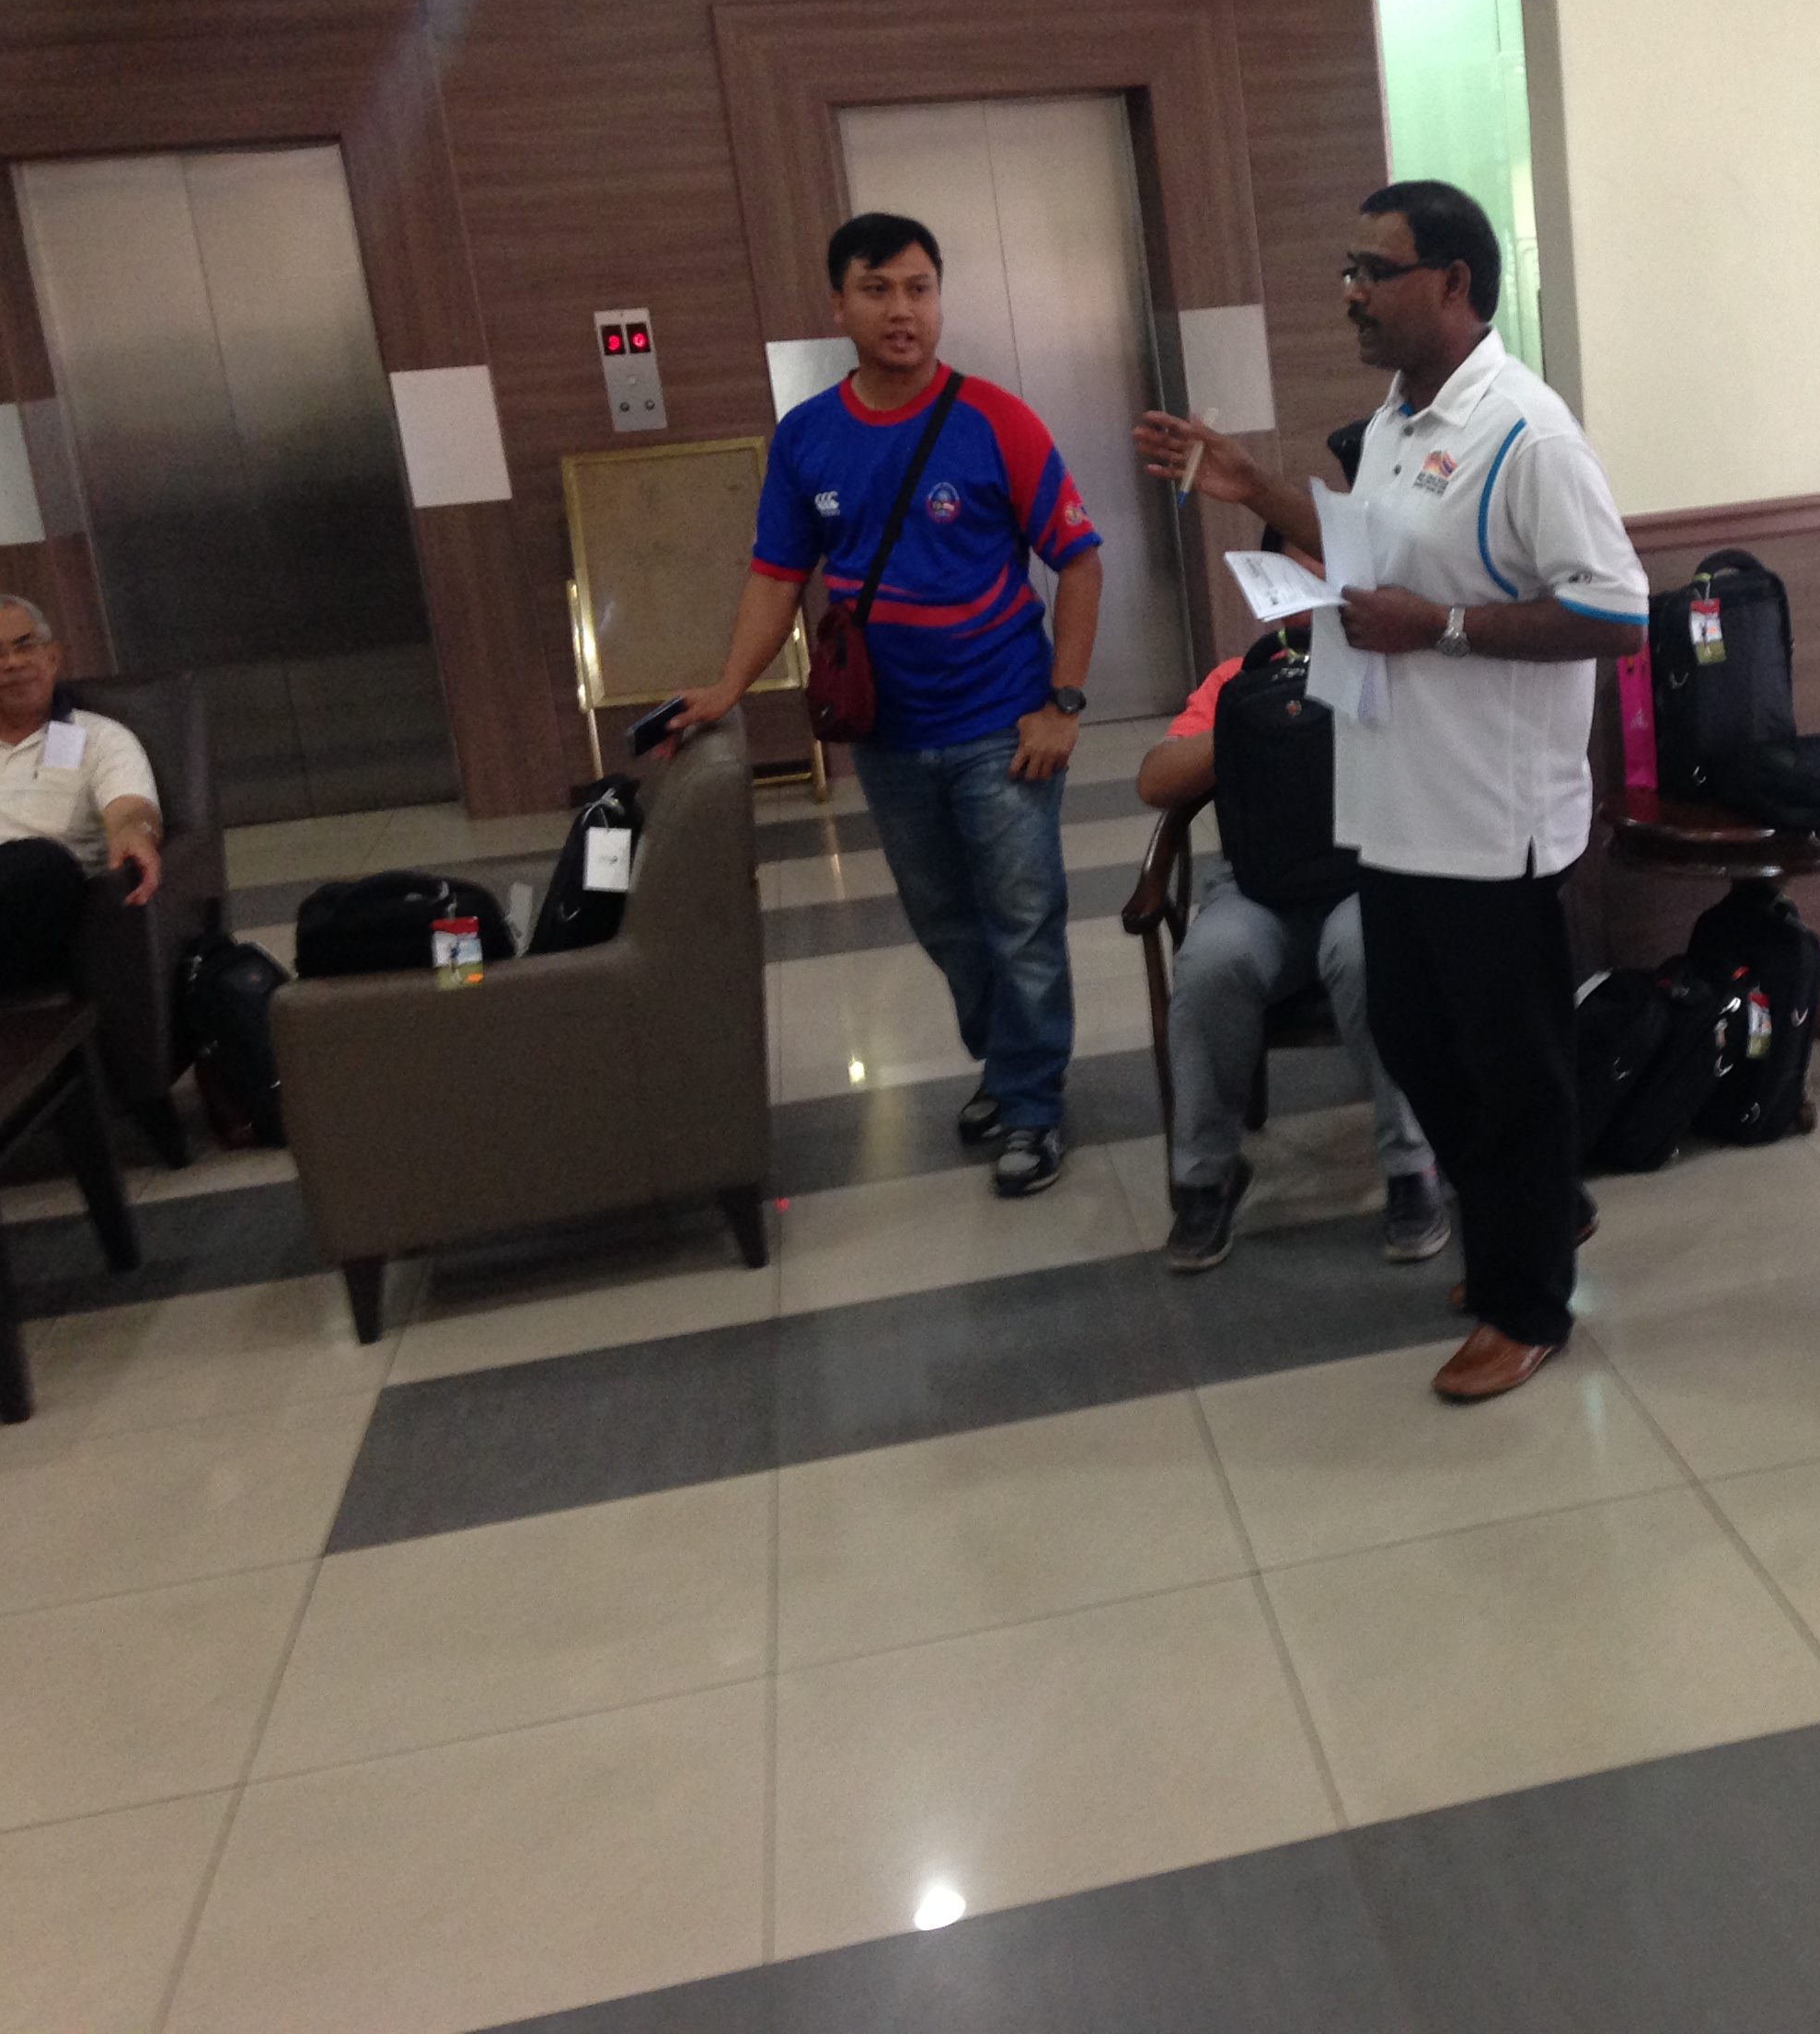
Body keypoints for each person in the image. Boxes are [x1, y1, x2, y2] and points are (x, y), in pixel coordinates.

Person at [1133, 179, 1646, 1401]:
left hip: (1489, 815)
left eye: (1377, 272)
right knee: (1416, 1037)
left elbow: (1619, 613)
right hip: (1396, 800)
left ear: (1456, 284)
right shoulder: (1402, 417)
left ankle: (1528, 1302)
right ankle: (1536, 1210)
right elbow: (1370, 552)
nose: (1353, 294)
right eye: (1349, 271)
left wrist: (1444, 628)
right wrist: (1255, 489)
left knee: (1509, 1065)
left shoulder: (1528, 434)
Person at [678, 213, 1102, 1198]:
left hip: (1003, 724)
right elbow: (776, 575)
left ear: (939, 298)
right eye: (878, 290)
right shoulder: (808, 437)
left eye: (919, 288)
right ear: (840, 304)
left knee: (1024, 920)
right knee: (944, 922)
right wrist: (729, 685)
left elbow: (1078, 562)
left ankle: (1032, 1104)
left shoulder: (996, 420)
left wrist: (1064, 703)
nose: (902, 310)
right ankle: (1007, 1062)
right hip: (888, 733)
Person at [1135, 629, 1447, 1270]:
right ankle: (1207, 1177)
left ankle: (1412, 1166)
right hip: (1258, 889)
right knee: (1211, 963)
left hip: (1365, 879)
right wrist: (1259, 721)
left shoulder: (1384, 664)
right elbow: (1156, 780)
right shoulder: (1238, 678)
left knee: (1368, 953)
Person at [0, 592, 160, 996]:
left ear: (53, 657)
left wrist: (136, 833)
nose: (13, 663)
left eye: (25, 645)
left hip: (34, 909)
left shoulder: (98, 737)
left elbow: (130, 808)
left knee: (38, 861)